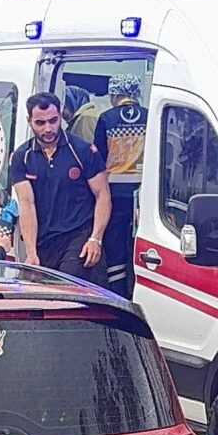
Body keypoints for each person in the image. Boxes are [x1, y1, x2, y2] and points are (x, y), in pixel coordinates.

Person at [7, 91, 108, 283]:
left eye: (53, 121)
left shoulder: (82, 151)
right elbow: (27, 205)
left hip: (78, 235)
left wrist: (96, 238)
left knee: (69, 287)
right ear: (30, 122)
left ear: (61, 116)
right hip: (44, 241)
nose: (48, 128)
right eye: (40, 123)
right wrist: (31, 253)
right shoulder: (22, 157)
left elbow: (103, 195)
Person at [90, 73, 147, 297]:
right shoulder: (149, 116)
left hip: (114, 192)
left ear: (115, 94)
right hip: (144, 194)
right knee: (140, 246)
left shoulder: (106, 118)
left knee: (115, 245)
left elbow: (98, 157)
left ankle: (118, 294)